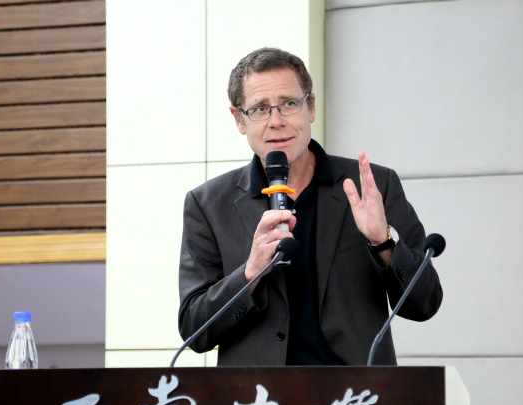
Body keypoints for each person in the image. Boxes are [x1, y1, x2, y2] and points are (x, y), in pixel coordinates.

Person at [178, 47, 442, 366]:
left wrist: (383, 243)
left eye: (289, 104)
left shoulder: (372, 186)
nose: (276, 121)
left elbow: (425, 303)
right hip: (256, 395)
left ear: (311, 107)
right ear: (239, 119)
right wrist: (250, 273)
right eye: (260, 109)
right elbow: (195, 331)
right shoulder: (208, 204)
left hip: (355, 393)